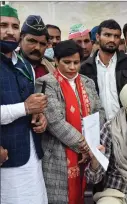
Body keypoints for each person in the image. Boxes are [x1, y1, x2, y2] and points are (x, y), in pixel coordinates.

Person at [35, 40, 106, 204]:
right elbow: (55, 122)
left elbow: (99, 112)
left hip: (89, 151)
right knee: (60, 197)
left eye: (76, 62)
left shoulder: (88, 82)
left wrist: (91, 142)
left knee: (86, 194)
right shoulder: (46, 83)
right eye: (66, 62)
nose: (72, 67)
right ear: (56, 61)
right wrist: (84, 145)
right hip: (58, 153)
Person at [0, 5, 48, 204]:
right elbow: (25, 106)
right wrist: (26, 108)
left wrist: (39, 117)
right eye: (3, 25)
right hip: (6, 156)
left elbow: (30, 105)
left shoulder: (24, 64)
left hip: (32, 154)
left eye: (14, 26)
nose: (10, 31)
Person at [80, 19, 127, 120]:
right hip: (98, 125)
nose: (112, 39)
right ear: (98, 37)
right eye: (107, 35)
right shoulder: (85, 67)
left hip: (125, 123)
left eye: (116, 36)